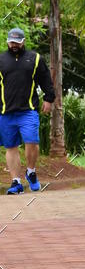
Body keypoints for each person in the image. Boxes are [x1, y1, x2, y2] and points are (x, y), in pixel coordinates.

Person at [0, 27, 55, 194]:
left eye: (17, 42)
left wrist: (48, 98)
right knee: (11, 146)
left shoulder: (35, 58)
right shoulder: (1, 60)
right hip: (5, 112)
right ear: (7, 41)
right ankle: (16, 182)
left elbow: (46, 79)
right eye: (11, 42)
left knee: (32, 141)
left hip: (28, 110)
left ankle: (31, 171)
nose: (14, 44)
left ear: (23, 41)